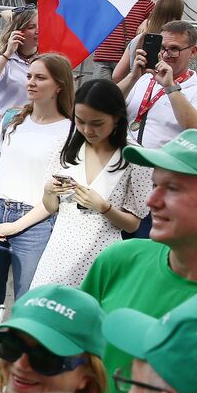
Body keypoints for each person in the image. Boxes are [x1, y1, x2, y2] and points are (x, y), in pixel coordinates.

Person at [81, 129, 197, 393]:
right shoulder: (120, 260)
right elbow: (74, 360)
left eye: (174, 188)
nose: (152, 201)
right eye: (154, 185)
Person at [0, 53, 74, 339]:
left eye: (40, 77)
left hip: (36, 222)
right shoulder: (12, 119)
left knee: (27, 308)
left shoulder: (71, 131)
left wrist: (17, 226)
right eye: (29, 75)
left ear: (60, 86)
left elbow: (58, 192)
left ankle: (15, 378)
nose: (30, 82)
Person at [32, 79, 151, 287]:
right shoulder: (67, 146)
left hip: (101, 258)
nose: (87, 130)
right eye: (80, 121)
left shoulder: (135, 156)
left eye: (97, 123)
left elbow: (133, 223)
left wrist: (103, 207)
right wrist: (49, 190)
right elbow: (51, 207)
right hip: (56, 254)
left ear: (116, 118)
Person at [118, 19, 197, 153]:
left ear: (193, 51)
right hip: (124, 160)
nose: (166, 55)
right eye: (162, 48)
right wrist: (132, 77)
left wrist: (170, 87)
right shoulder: (143, 79)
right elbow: (105, 105)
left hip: (161, 169)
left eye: (174, 49)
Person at [113, 0, 183, 83]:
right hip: (162, 92)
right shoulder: (176, 44)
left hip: (135, 92)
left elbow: (116, 76)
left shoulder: (139, 39)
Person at [0, 5, 39, 118]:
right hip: (6, 125)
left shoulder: (45, 59)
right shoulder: (4, 59)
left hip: (34, 126)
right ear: (17, 31)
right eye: (31, 27)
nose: (38, 31)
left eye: (41, 26)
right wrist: (8, 53)